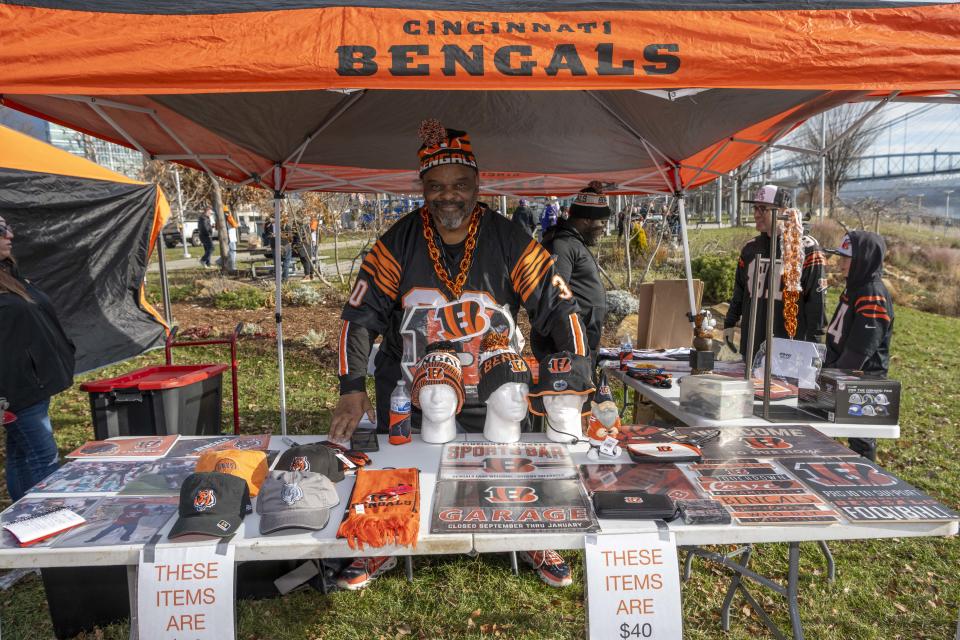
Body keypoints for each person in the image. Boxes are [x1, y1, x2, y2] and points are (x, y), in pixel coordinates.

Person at [330, 119, 588, 590]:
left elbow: (560, 309)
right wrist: (352, 390)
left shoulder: (511, 240)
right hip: (412, 393)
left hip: (495, 390)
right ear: (422, 188)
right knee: (396, 468)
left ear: (477, 184)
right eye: (436, 186)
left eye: (460, 184)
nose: (449, 195)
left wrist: (573, 379)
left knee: (511, 463)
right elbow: (358, 316)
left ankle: (530, 535)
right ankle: (381, 541)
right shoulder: (397, 242)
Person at [0, 215, 75, 501]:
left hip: (32, 382)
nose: (11, 235)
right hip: (15, 390)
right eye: (1, 230)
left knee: (21, 452)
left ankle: (21, 515)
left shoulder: (8, 272)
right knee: (43, 457)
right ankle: (48, 518)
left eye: (8, 227)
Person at [723, 185, 826, 360]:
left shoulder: (807, 249)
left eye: (763, 209)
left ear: (784, 211)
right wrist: (730, 322)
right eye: (755, 208)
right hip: (752, 344)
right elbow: (739, 292)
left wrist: (814, 347)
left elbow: (816, 305)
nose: (756, 214)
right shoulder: (750, 249)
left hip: (789, 348)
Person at [823, 231, 894, 461]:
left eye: (847, 258)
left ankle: (868, 489)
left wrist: (829, 379)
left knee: (860, 444)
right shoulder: (854, 287)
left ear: (864, 260)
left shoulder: (872, 294)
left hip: (862, 384)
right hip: (842, 378)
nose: (840, 263)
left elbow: (857, 353)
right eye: (840, 256)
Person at [532, 182, 610, 365]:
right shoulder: (562, 244)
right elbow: (555, 299)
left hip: (578, 344)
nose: (603, 228)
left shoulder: (571, 242)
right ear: (586, 220)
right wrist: (576, 348)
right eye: (602, 222)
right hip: (567, 350)